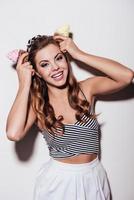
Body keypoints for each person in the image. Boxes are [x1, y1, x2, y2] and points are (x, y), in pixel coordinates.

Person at [6, 34, 133, 200]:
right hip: (59, 183)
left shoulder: (86, 89)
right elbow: (13, 133)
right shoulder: (38, 104)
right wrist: (24, 83)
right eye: (45, 64)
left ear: (66, 58)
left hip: (94, 177)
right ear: (36, 72)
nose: (55, 67)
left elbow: (127, 76)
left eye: (58, 58)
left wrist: (79, 54)